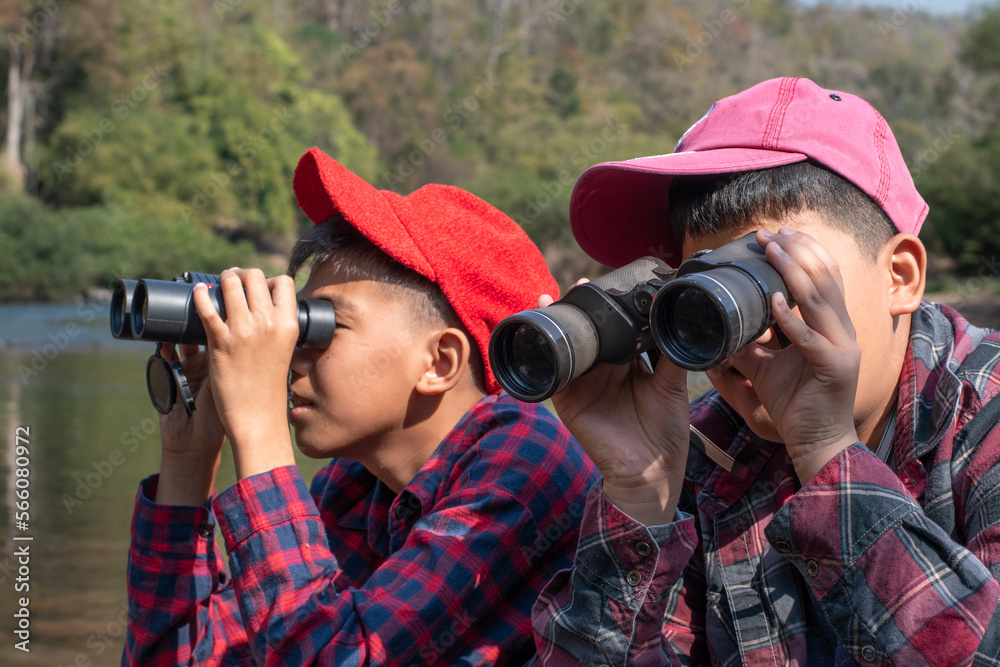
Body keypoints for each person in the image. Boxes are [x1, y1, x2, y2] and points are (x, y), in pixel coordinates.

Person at [530, 77, 1000, 665]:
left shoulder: (985, 414)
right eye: (709, 292)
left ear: (899, 277)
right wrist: (638, 492)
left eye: (775, 280)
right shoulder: (710, 449)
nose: (749, 330)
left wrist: (827, 452)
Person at [123, 147, 599, 665]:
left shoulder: (524, 459)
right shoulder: (360, 487)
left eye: (322, 324)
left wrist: (259, 427)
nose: (289, 352)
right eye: (299, 321)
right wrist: (188, 463)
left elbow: (331, 656)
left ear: (439, 361)